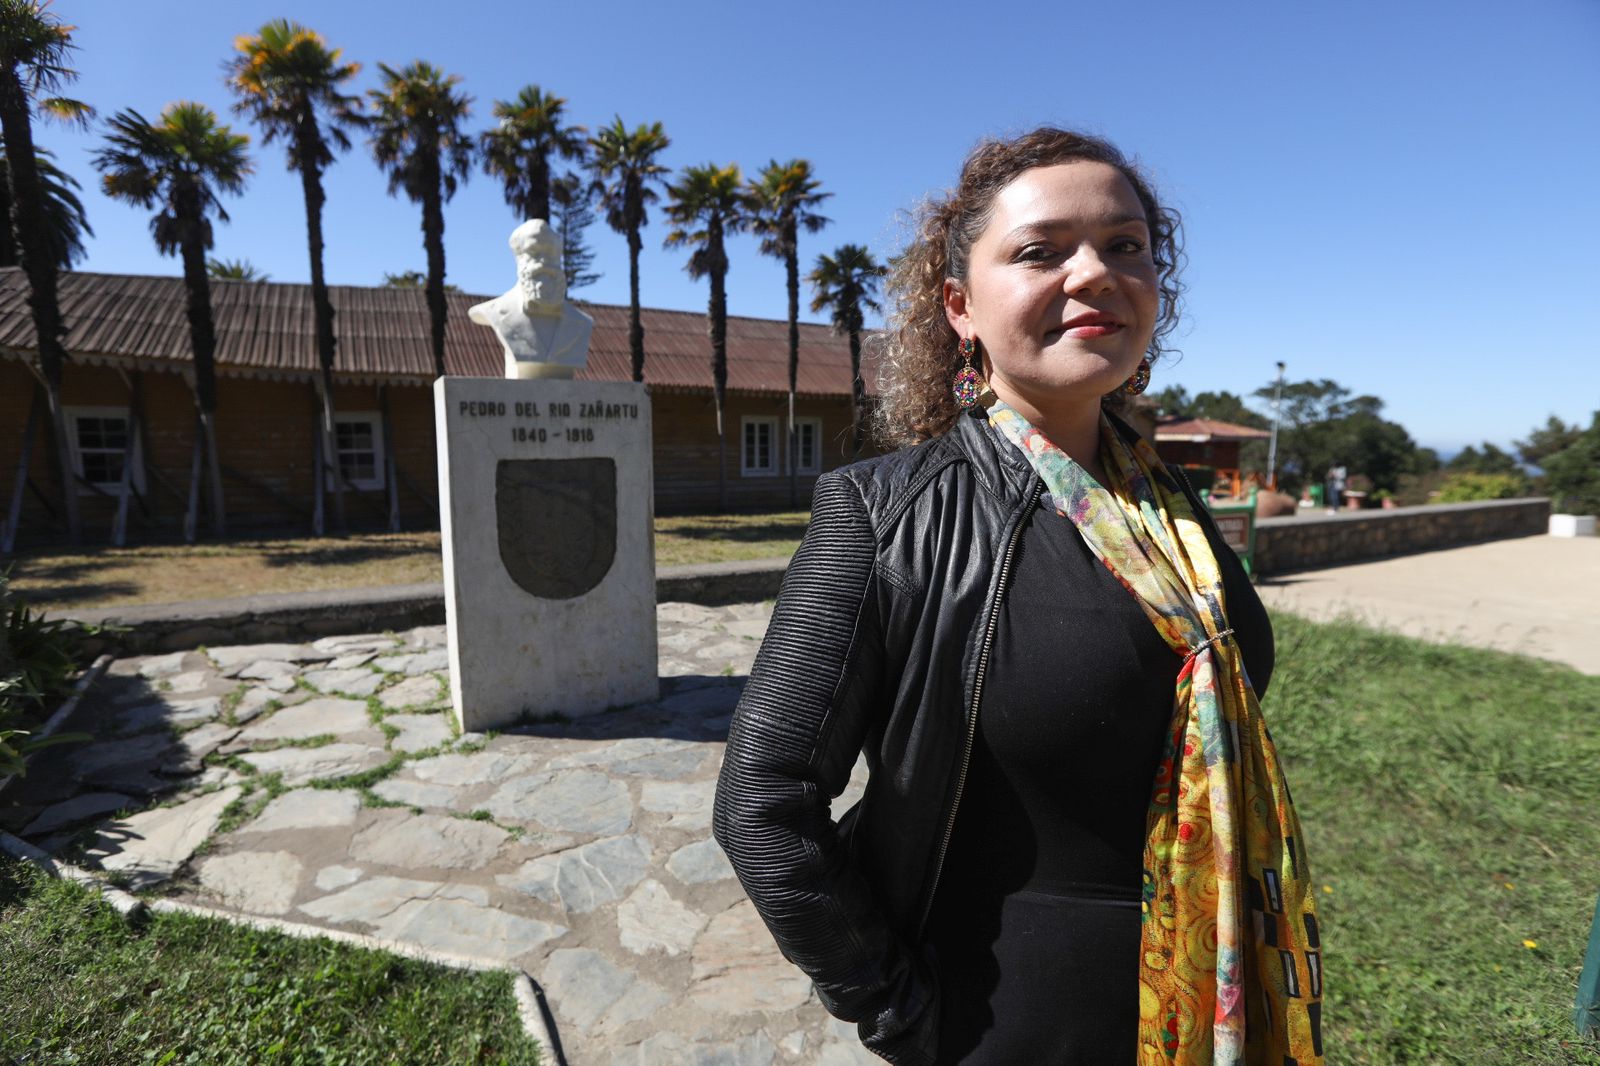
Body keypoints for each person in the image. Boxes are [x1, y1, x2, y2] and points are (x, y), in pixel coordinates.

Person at [712, 128, 1323, 1066]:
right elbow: (762, 800)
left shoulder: (1169, 503)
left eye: (1126, 246)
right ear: (960, 306)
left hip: (1212, 1001)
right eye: (1041, 251)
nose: (1095, 273)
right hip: (1008, 1024)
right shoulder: (886, 513)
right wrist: (896, 1008)